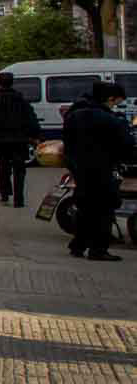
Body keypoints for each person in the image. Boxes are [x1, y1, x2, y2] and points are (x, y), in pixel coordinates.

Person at [63, 80, 133, 261]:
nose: (117, 105)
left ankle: (78, 245)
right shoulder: (110, 120)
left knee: (86, 207)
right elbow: (126, 146)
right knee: (104, 209)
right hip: (102, 169)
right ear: (109, 98)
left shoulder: (74, 115)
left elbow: (67, 143)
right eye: (116, 101)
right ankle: (98, 249)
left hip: (79, 168)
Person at [0, 71, 40, 207]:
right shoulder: (21, 100)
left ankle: (5, 193)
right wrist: (35, 135)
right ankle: (19, 200)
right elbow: (31, 117)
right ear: (12, 82)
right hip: (20, 140)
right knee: (19, 169)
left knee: (3, 165)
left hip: (1, 141)